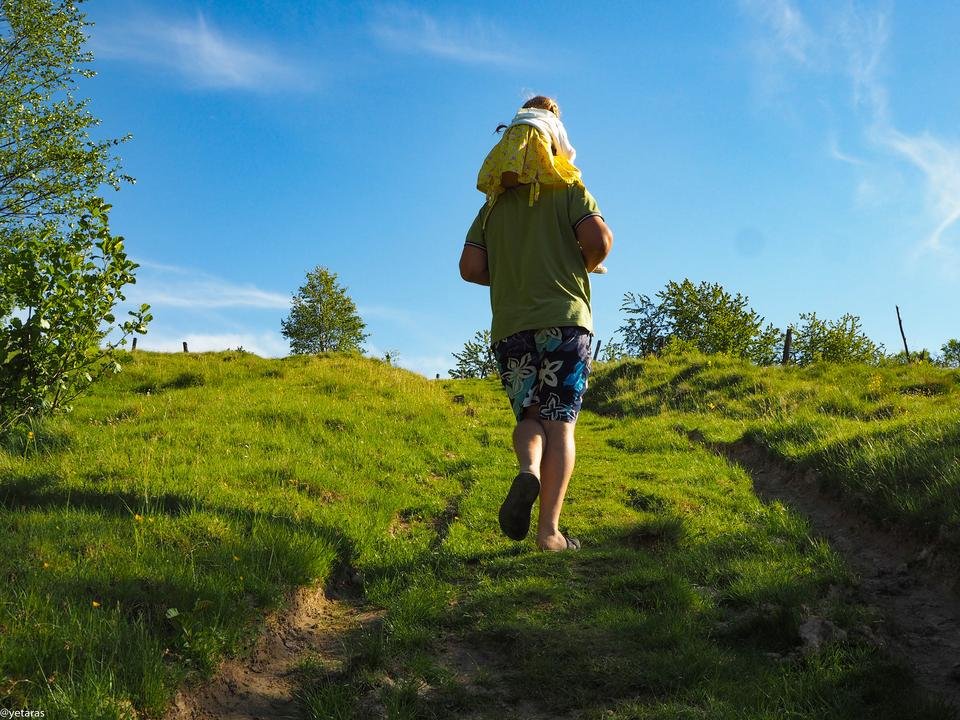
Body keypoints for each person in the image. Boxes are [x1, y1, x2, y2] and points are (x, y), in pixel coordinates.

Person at [459, 95, 613, 552]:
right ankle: (549, 533)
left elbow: (469, 267)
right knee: (561, 423)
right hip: (565, 319)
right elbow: (599, 240)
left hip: (511, 324)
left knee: (531, 415)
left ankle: (526, 471)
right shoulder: (568, 189)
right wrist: (583, 260)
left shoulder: (492, 208)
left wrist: (508, 274)